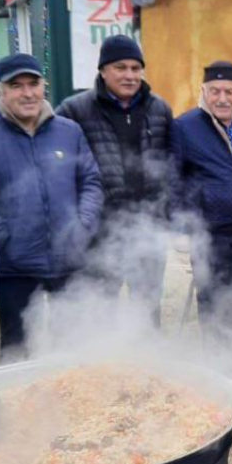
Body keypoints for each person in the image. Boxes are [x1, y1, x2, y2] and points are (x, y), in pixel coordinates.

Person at [0, 54, 104, 360]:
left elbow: (91, 182)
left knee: (73, 348)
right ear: (1, 91)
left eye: (33, 84)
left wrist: (83, 226)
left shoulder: (69, 131)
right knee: (18, 352)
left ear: (43, 86)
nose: (27, 93)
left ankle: (72, 406)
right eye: (17, 85)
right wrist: (2, 237)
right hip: (16, 265)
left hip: (69, 260)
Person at [56, 35, 179, 327]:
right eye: (121, 67)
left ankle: (148, 365)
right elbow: (60, 172)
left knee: (147, 309)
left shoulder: (159, 109)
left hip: (147, 229)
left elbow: (171, 165)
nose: (129, 75)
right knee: (99, 309)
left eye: (136, 68)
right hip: (99, 232)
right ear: (103, 70)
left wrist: (167, 214)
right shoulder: (75, 110)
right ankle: (99, 367)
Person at [171, 61, 232, 382]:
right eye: (215, 91)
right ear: (204, 92)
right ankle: (219, 376)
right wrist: (186, 225)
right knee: (215, 309)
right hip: (210, 239)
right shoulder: (185, 127)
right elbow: (173, 182)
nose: (222, 98)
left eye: (229, 90)